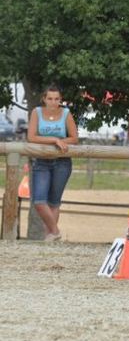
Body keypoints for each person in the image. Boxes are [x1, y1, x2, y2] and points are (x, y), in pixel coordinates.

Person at [26, 84, 79, 241]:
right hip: (42, 162)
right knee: (39, 201)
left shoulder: (66, 114)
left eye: (56, 99)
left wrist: (63, 141)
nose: (53, 101)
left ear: (60, 100)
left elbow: (74, 138)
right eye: (50, 98)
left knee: (54, 202)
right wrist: (55, 139)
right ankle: (55, 232)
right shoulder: (37, 112)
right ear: (44, 99)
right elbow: (32, 137)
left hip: (62, 163)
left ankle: (49, 238)